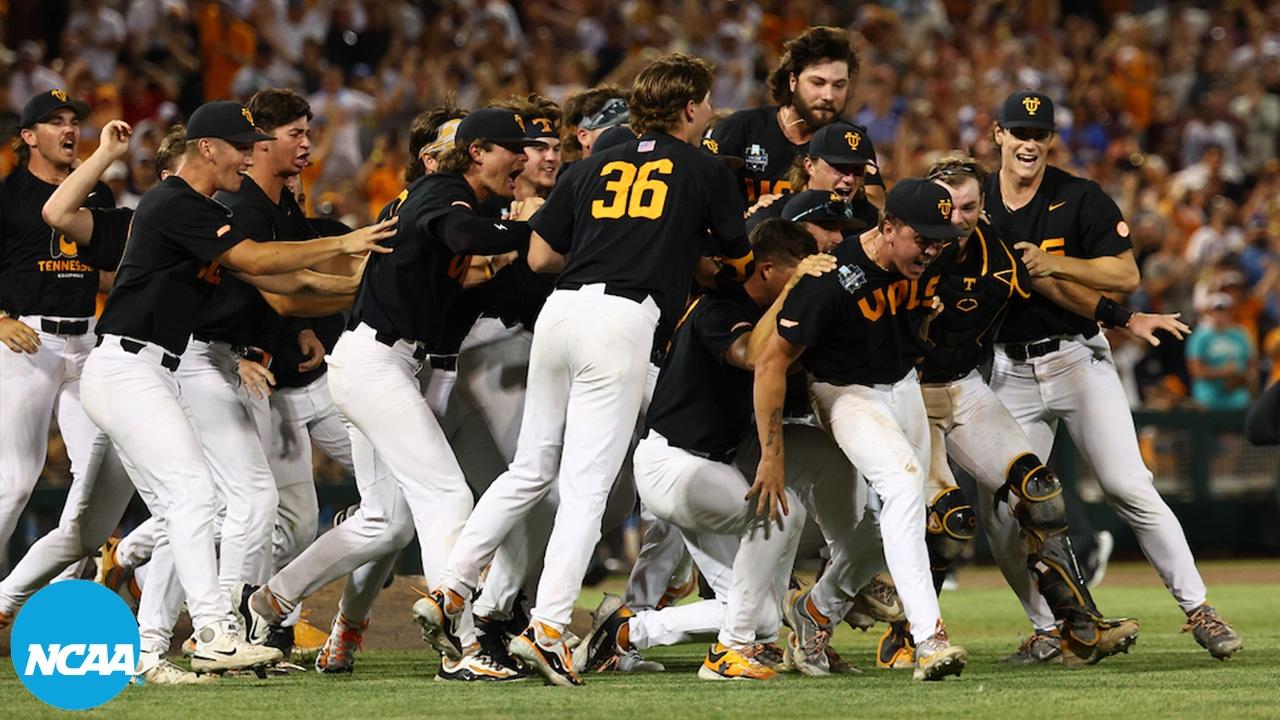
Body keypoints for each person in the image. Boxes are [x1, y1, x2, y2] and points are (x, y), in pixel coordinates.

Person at [413, 53, 754, 688]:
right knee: (586, 491)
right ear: (689, 106)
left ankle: (452, 587)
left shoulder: (590, 166)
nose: (710, 111)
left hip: (560, 313)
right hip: (621, 320)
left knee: (530, 469)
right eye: (706, 101)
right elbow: (737, 264)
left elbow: (541, 257)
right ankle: (547, 630)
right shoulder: (703, 166)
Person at [78, 100, 395, 681]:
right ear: (207, 147)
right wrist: (343, 244)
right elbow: (256, 257)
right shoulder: (174, 201)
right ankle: (215, 633)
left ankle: (150, 649)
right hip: (127, 366)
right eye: (241, 147)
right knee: (196, 496)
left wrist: (366, 278)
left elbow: (281, 279)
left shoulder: (203, 210)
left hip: (153, 368)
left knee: (183, 508)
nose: (249, 157)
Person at [239, 107, 542, 683]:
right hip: (376, 361)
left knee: (385, 522)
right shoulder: (441, 190)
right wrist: (532, 231)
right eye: (513, 148)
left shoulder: (460, 198)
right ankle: (462, 645)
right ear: (476, 152)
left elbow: (465, 275)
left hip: (378, 361)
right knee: (447, 495)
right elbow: (459, 234)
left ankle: (271, 600)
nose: (523, 159)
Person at [875, 156, 1188, 669]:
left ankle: (1078, 627)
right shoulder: (905, 249)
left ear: (984, 205)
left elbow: (1053, 287)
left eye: (969, 207)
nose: (957, 219)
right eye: (947, 208)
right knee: (951, 522)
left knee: (1039, 493)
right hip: (907, 391)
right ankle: (906, 634)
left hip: (964, 385)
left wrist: (1125, 317)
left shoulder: (997, 250)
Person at [986, 91, 1242, 660]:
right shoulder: (975, 201)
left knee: (1128, 484)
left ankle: (1199, 609)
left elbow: (1125, 275)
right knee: (1002, 514)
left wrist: (1060, 263)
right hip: (1006, 367)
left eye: (1039, 134)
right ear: (997, 134)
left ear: (1051, 140)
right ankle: (1048, 629)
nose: (1029, 143)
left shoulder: (1080, 196)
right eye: (1019, 132)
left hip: (1077, 358)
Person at [573, 219, 841, 681]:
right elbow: (752, 356)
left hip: (709, 469)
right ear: (768, 269)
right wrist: (793, 291)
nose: (800, 286)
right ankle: (727, 653)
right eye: (794, 274)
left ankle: (627, 632)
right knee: (781, 511)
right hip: (674, 463)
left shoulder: (761, 312)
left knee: (760, 618)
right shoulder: (721, 305)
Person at [751, 178, 967, 681]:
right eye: (922, 238)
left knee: (897, 515)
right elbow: (770, 364)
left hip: (901, 383)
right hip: (842, 390)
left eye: (940, 240)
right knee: (903, 483)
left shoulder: (934, 261)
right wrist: (772, 453)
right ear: (888, 227)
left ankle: (817, 609)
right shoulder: (830, 275)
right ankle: (929, 639)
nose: (932, 250)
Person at [0, 91, 120, 574]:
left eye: (73, 120)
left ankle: (62, 590)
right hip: (26, 341)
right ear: (28, 137)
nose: (69, 129)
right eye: (55, 122)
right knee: (14, 483)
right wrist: (0, 321)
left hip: (86, 342)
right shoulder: (8, 194)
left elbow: (107, 274)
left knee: (93, 478)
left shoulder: (98, 194)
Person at [706, 26, 862, 204]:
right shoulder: (738, 129)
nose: (829, 95)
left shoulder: (852, 142)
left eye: (839, 85)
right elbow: (702, 197)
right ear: (793, 81)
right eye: (818, 83)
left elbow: (875, 207)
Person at [1186, 293, 1256, 410]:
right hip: (1209, 393)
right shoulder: (1200, 336)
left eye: (1224, 311)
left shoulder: (1241, 334)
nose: (1220, 315)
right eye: (1216, 311)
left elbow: (1252, 363)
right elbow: (1195, 370)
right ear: (1209, 313)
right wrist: (1224, 372)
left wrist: (1245, 379)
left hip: (1236, 392)